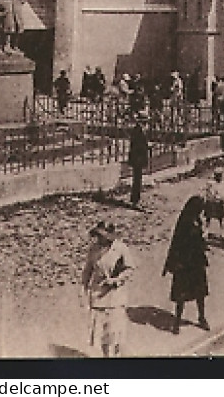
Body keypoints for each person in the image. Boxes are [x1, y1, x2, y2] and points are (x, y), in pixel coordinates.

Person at [81, 221, 136, 358]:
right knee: (102, 334)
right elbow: (87, 270)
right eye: (98, 235)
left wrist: (116, 280)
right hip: (98, 295)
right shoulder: (94, 249)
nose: (100, 238)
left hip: (115, 296)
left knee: (115, 333)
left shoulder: (121, 248)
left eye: (102, 236)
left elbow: (130, 268)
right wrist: (84, 288)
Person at [163, 195, 210, 333]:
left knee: (200, 293)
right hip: (185, 263)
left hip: (196, 262)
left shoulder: (196, 221)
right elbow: (178, 243)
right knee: (181, 295)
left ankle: (201, 318)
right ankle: (177, 322)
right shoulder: (185, 223)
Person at [128, 115, 150, 209]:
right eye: (144, 122)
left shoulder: (140, 130)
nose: (146, 124)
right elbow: (136, 146)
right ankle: (135, 201)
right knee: (137, 180)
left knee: (138, 180)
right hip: (137, 158)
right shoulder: (137, 131)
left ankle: (136, 200)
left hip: (138, 158)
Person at [203, 168, 224, 236]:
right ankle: (206, 230)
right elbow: (209, 193)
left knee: (220, 218)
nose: (220, 177)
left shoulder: (222, 183)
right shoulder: (210, 183)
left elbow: (223, 194)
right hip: (212, 202)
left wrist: (222, 199)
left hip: (218, 202)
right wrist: (214, 197)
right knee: (208, 217)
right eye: (219, 175)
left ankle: (222, 232)